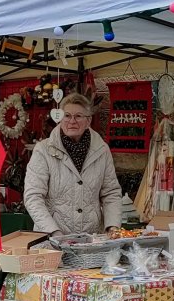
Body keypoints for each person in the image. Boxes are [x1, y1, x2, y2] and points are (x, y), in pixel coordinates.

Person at [25, 93, 122, 236]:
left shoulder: (102, 150)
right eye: (67, 115)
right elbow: (33, 197)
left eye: (78, 116)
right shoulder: (44, 150)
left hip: (92, 239)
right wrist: (53, 232)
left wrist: (112, 227)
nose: (72, 121)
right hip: (52, 240)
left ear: (88, 120)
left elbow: (111, 193)